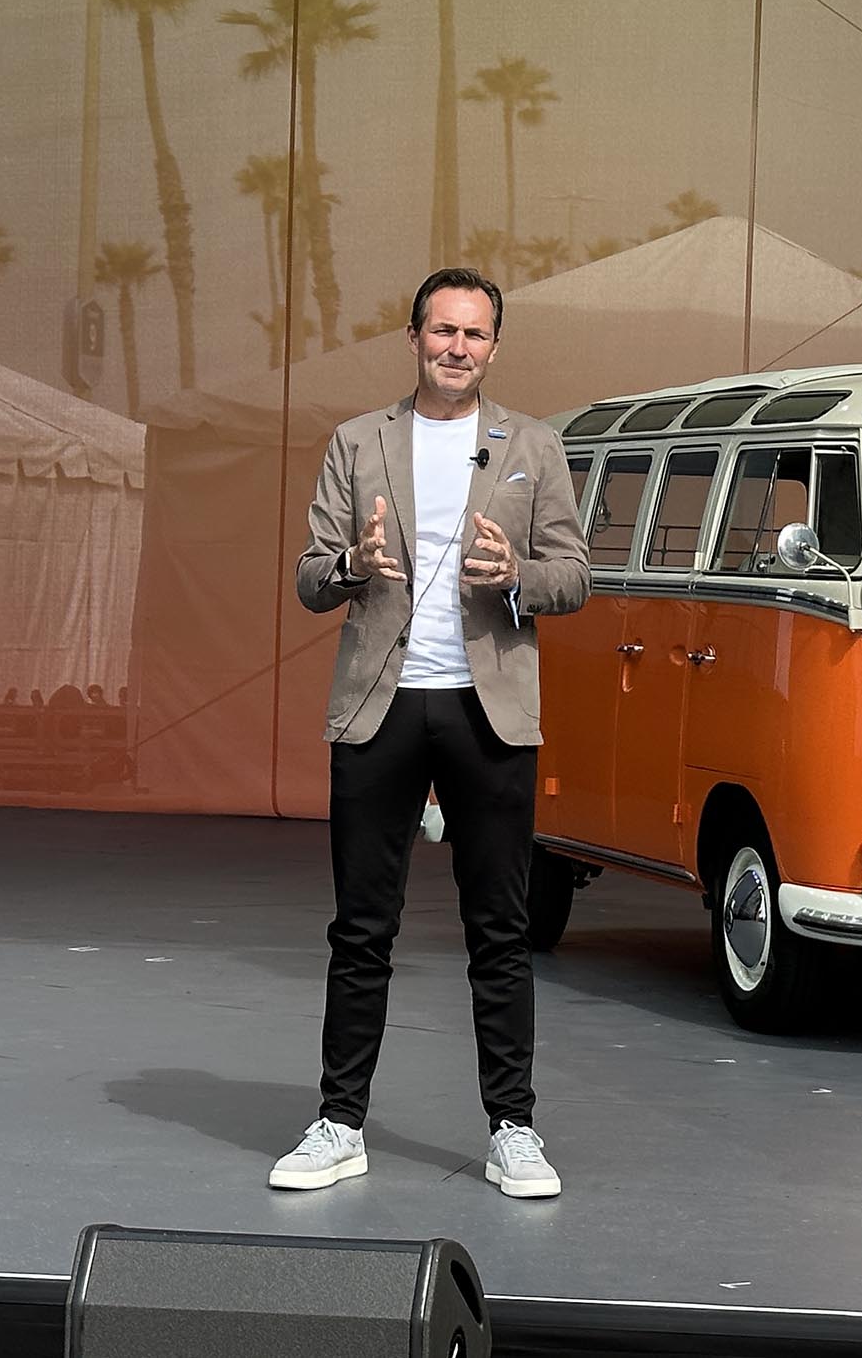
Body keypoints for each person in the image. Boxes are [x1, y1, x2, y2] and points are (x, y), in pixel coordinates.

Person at [270, 267, 589, 1200]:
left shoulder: (534, 444)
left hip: (489, 708)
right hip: (382, 701)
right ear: (413, 337)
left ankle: (513, 1128)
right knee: (362, 928)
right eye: (443, 330)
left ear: (494, 347)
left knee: (501, 930)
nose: (457, 347)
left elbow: (575, 575)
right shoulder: (356, 440)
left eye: (474, 333)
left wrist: (517, 573)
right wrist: (351, 561)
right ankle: (339, 1123)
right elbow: (309, 575)